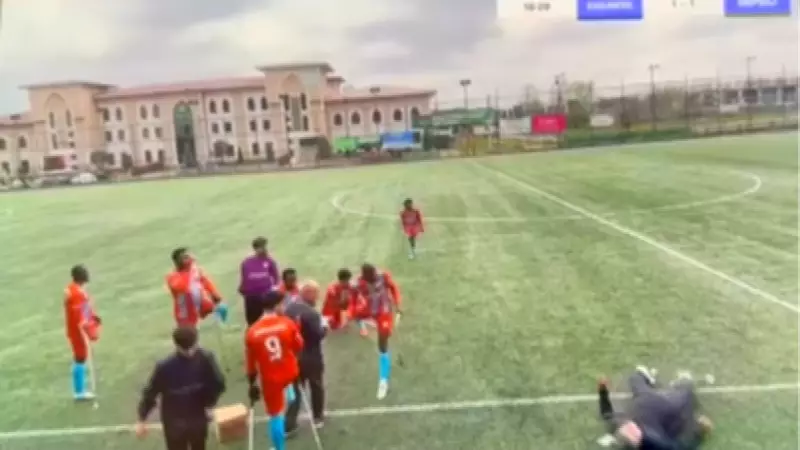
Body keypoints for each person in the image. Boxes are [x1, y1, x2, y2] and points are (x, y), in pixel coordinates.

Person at [135, 326, 226, 450]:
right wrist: (142, 418)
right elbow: (151, 393)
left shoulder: (166, 366)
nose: (189, 352)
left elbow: (218, 384)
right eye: (186, 349)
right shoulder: (204, 359)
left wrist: (209, 403)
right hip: (181, 421)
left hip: (185, 420)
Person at [597, 367, 713, 449]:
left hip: (659, 406)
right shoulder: (619, 426)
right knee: (635, 379)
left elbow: (678, 448)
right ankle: (643, 376)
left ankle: (684, 382)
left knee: (684, 397)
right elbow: (607, 414)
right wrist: (603, 390)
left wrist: (700, 433)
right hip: (644, 400)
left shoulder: (652, 441)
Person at [245, 290, 304, 450]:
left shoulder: (252, 331)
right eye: (282, 304)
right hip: (290, 372)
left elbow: (251, 363)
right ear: (277, 305)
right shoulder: (287, 323)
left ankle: (279, 448)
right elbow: (299, 345)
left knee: (275, 415)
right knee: (290, 384)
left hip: (271, 379)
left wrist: (252, 383)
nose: (284, 307)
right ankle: (290, 396)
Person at [284, 281, 328, 434]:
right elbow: (318, 335)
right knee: (316, 386)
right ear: (309, 294)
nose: (317, 297)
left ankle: (289, 423)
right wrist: (325, 327)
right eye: (316, 294)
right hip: (311, 357)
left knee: (295, 391)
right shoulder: (312, 313)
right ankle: (318, 417)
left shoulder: (289, 308)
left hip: (293, 357)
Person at [355, 263, 402, 399]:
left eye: (375, 273)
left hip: (384, 313)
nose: (375, 275)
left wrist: (398, 304)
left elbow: (393, 288)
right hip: (370, 311)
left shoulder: (383, 276)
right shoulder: (360, 283)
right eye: (372, 275)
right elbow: (354, 297)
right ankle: (365, 327)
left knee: (382, 344)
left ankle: (383, 380)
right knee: (355, 316)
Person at [64, 264, 101, 400]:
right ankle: (79, 392)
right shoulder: (77, 294)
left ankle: (79, 390)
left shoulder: (73, 289)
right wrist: (88, 327)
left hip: (75, 329)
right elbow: (79, 314)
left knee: (80, 357)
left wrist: (92, 317)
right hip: (78, 331)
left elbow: (83, 309)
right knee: (80, 357)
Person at [166, 247, 228, 327]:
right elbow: (182, 288)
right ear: (178, 262)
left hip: (201, 302)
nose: (191, 259)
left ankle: (222, 325)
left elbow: (207, 283)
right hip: (185, 309)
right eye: (186, 257)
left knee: (222, 308)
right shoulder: (173, 277)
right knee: (188, 330)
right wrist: (190, 273)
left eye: (190, 256)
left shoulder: (196, 270)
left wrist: (215, 295)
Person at [238, 236, 280, 326]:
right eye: (262, 247)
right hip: (251, 299)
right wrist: (245, 292)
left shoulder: (270, 262)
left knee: (268, 323)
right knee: (253, 324)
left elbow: (276, 281)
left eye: (265, 246)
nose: (265, 249)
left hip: (266, 299)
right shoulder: (246, 263)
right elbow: (244, 282)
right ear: (255, 249)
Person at [322, 268, 367, 335]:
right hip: (333, 310)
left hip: (345, 309)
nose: (347, 283)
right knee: (333, 327)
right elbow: (332, 305)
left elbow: (359, 300)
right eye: (345, 281)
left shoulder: (352, 287)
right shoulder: (332, 289)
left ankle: (363, 328)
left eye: (348, 280)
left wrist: (356, 308)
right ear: (341, 280)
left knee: (358, 309)